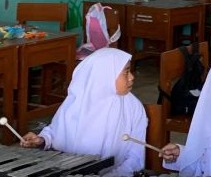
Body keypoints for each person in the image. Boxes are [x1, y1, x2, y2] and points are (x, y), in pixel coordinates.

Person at [20, 48, 146, 176]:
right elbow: (55, 132)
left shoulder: (133, 107)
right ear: (106, 75)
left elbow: (136, 157)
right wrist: (42, 139)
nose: (132, 77)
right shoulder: (78, 101)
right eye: (126, 72)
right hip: (68, 171)